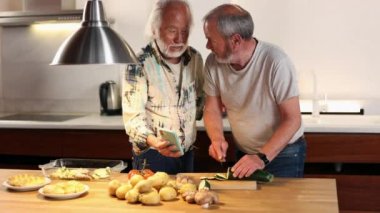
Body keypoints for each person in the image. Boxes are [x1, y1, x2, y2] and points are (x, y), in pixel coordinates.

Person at [202, 4, 306, 178]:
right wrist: (217, 138)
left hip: (284, 154)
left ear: (235, 40)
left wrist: (261, 157)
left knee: (282, 206)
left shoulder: (276, 61)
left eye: (211, 39)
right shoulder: (213, 62)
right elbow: (212, 108)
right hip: (245, 153)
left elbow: (293, 119)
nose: (207, 46)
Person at [122, 0, 204, 174]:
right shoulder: (138, 63)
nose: (180, 39)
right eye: (172, 30)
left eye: (185, 30)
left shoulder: (195, 58)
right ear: (154, 29)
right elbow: (133, 120)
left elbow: (199, 104)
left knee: (184, 199)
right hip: (153, 155)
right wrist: (156, 142)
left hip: (187, 154)